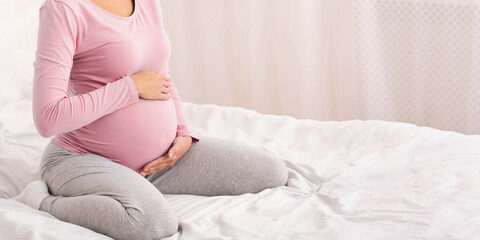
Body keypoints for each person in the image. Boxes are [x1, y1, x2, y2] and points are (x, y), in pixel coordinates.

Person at [10, 0, 289, 239]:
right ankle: (42, 202)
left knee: (271, 172)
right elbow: (48, 118)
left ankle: (138, 184)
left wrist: (182, 132)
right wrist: (130, 88)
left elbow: (161, 76)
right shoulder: (64, 9)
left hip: (159, 163)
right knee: (154, 223)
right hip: (80, 157)